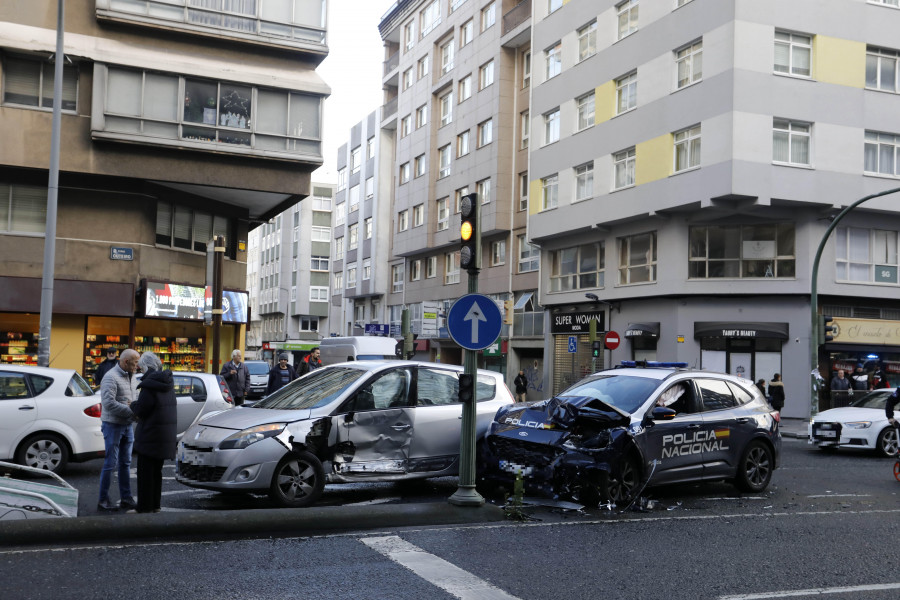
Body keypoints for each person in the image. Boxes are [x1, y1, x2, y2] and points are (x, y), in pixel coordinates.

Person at [129, 352, 177, 514]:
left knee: (145, 474)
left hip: (150, 436)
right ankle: (155, 505)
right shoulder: (167, 383)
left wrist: (132, 404)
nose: (140, 369)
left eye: (141, 367)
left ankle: (144, 508)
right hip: (164, 436)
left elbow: (142, 410)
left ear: (146, 367)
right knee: (157, 472)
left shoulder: (149, 385)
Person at [97, 348, 139, 512]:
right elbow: (108, 403)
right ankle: (103, 500)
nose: (137, 366)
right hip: (112, 424)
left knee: (125, 463)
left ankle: (126, 498)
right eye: (135, 363)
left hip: (127, 425)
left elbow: (133, 399)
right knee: (110, 463)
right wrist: (132, 411)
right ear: (126, 362)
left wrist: (135, 408)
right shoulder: (110, 377)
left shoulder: (132, 376)